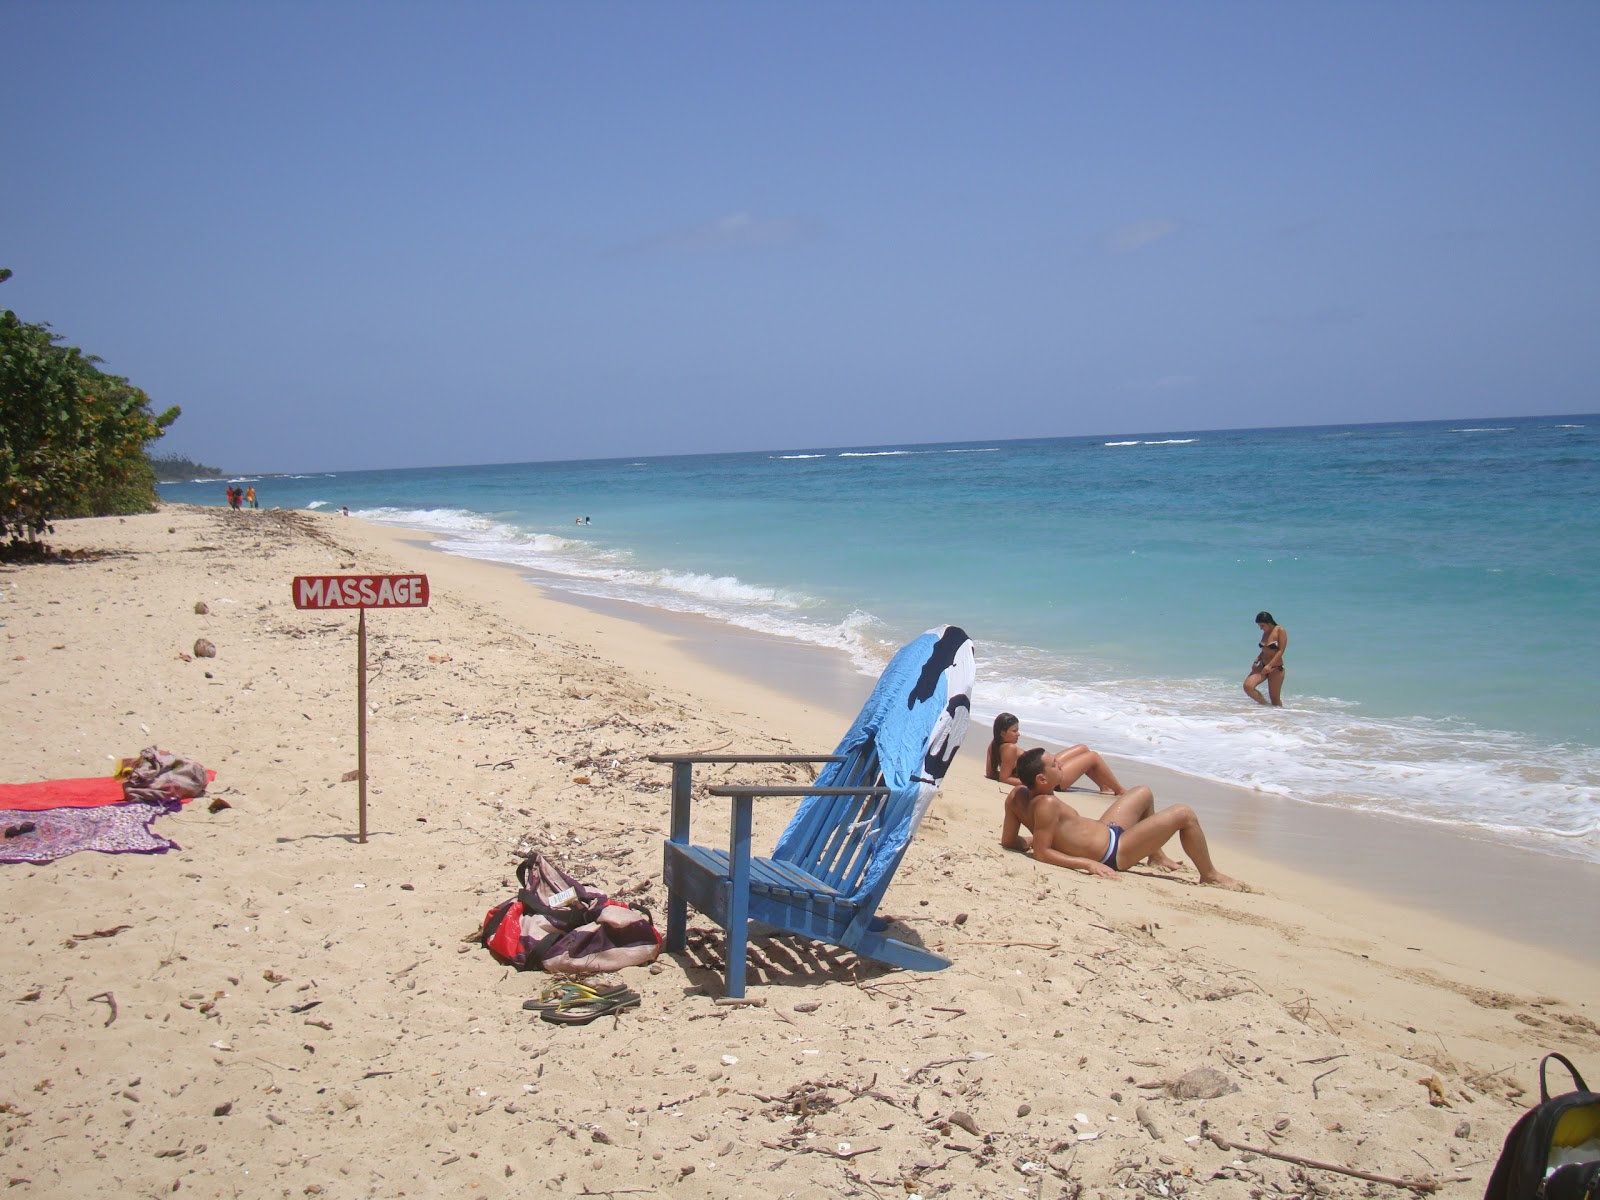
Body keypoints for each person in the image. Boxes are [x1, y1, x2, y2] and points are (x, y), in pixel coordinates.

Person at [1001, 747, 1245, 888]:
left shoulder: (1015, 796)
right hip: (1114, 852)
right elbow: (1043, 854)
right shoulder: (1048, 803)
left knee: (1143, 793)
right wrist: (1088, 863)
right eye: (1055, 765)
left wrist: (1033, 840)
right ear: (1042, 780)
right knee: (1184, 814)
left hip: (1105, 830)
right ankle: (1210, 875)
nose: (1061, 766)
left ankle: (1155, 855)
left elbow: (1010, 842)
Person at [984, 712, 1127, 794]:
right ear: (1003, 733)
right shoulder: (1009, 748)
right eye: (1014, 731)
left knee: (1083, 748)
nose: (1018, 734)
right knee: (1092, 757)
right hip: (1051, 780)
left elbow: (991, 773)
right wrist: (1032, 783)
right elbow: (1004, 778)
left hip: (1041, 767)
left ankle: (1104, 787)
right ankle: (1120, 791)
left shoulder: (994, 744)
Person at [1243, 611, 1287, 706]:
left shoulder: (1280, 630)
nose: (1260, 628)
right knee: (1248, 686)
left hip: (1275, 668)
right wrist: (1256, 660)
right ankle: (1266, 706)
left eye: (1262, 625)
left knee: (1275, 699)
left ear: (1268, 622)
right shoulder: (1265, 633)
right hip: (1262, 665)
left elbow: (1281, 650)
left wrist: (1270, 665)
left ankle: (1279, 716)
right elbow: (1265, 650)